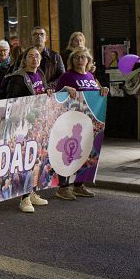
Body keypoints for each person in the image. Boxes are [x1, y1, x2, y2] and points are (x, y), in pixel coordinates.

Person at [2, 48, 75, 213]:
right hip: (23, 126)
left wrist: (52, 91)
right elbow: (11, 101)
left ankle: (32, 192)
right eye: (30, 56)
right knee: (25, 163)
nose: (34, 58)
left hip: (38, 125)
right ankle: (24, 198)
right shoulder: (18, 78)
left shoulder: (40, 74)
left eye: (37, 56)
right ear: (24, 59)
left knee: (37, 161)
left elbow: (44, 95)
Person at [53, 49, 109, 199]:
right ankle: (63, 187)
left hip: (87, 123)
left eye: (83, 57)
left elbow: (95, 93)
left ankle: (79, 185)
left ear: (88, 60)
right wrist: (64, 89)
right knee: (67, 153)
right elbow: (56, 95)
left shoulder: (90, 76)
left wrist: (102, 90)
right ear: (72, 60)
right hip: (70, 122)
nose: (79, 60)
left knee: (83, 152)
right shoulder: (67, 76)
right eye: (76, 57)